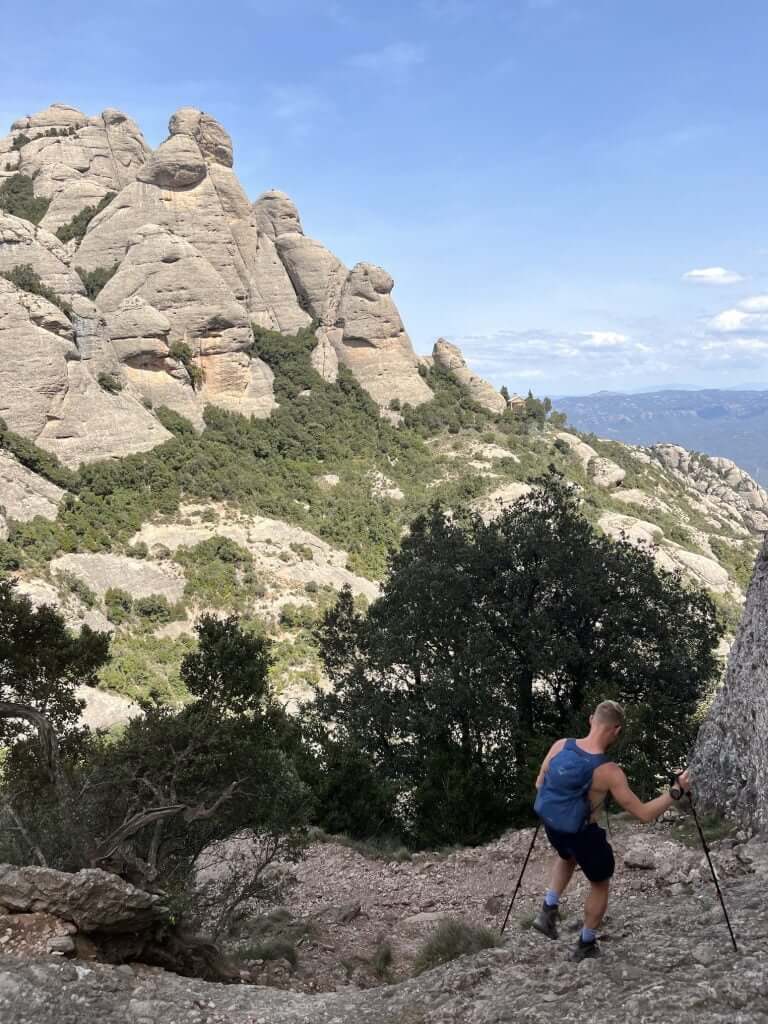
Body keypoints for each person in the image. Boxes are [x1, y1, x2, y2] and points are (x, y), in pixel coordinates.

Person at [532, 699, 690, 961]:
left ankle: (548, 909)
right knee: (600, 882)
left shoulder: (560, 745)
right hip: (584, 834)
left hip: (553, 827)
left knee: (566, 855)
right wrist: (677, 791)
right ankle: (586, 944)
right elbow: (644, 814)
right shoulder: (608, 771)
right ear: (616, 730)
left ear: (591, 720)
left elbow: (540, 783)